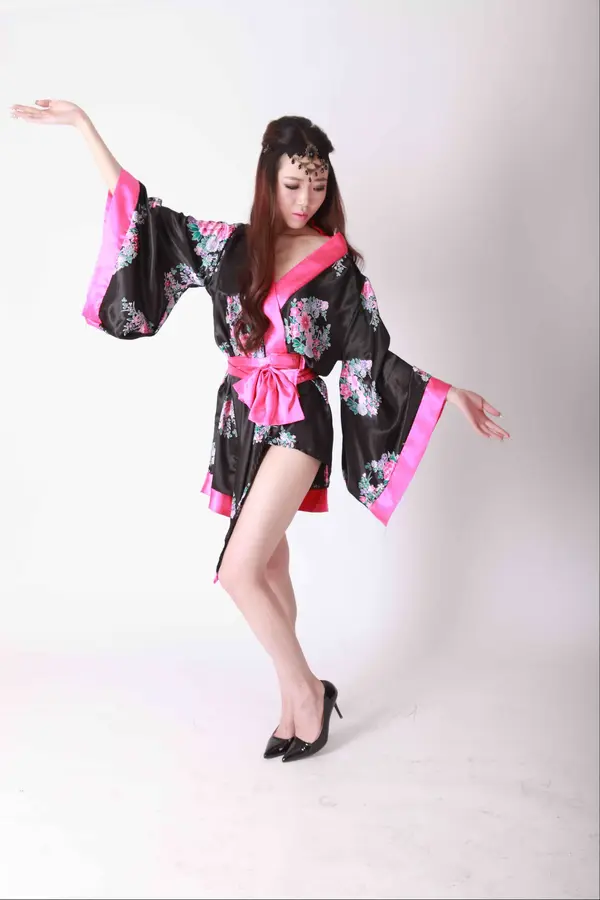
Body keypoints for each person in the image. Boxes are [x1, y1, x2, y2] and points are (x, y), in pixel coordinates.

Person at [10, 99, 510, 763]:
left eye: (318, 186)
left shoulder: (338, 268)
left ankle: (310, 691)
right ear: (268, 180)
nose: (306, 199)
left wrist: (444, 393)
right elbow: (146, 218)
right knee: (269, 563)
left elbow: (371, 357)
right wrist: (83, 127)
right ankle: (291, 701)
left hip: (298, 417)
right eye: (293, 184)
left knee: (238, 569)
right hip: (240, 415)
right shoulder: (230, 246)